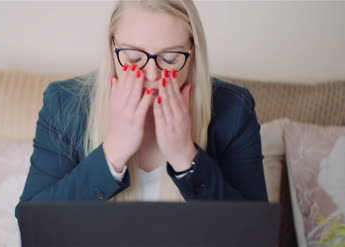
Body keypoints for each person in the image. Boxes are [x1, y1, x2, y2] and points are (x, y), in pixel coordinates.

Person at [15, 0, 267, 219]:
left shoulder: (234, 108)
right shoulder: (64, 103)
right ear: (111, 48)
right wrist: (113, 152)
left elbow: (255, 234)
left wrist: (185, 158)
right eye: (134, 58)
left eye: (169, 59)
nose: (151, 74)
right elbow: (33, 224)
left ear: (193, 55)